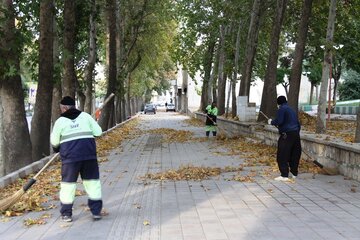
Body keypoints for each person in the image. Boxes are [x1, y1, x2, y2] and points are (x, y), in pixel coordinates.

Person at [51, 96, 103, 222]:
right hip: (89, 156)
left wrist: (57, 148)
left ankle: (66, 214)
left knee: (68, 186)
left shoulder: (60, 122)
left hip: (70, 159)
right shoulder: (86, 116)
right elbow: (98, 132)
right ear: (74, 106)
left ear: (64, 108)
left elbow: (54, 142)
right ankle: (96, 212)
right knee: (93, 184)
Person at [268, 96, 301, 181]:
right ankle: (294, 173)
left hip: (286, 135)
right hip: (296, 134)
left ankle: (284, 175)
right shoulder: (291, 109)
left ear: (278, 103)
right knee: (294, 154)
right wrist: (296, 133)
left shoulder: (281, 109)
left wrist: (271, 122)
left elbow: (279, 121)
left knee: (282, 155)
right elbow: (298, 123)